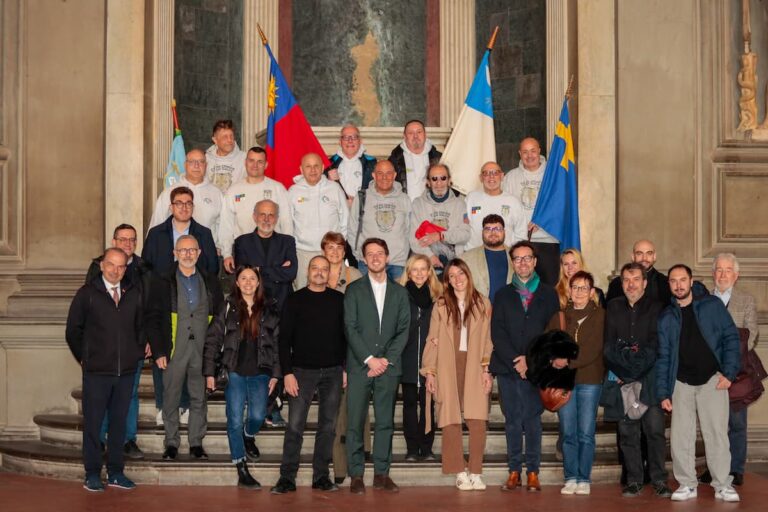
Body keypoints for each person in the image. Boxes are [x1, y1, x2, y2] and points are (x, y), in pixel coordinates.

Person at [657, 264, 741, 502]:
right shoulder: (666, 317)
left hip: (712, 380)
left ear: (691, 281)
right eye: (673, 281)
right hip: (681, 383)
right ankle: (686, 484)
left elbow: (731, 338)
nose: (678, 285)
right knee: (680, 436)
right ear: (669, 285)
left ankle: (723, 485)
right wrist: (664, 392)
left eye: (682, 279)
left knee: (716, 434)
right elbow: (663, 357)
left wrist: (729, 373)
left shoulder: (711, 306)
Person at [66, 247, 144, 491]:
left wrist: (134, 353)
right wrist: (86, 358)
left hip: (125, 373)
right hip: (97, 373)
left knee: (119, 424)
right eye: (111, 264)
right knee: (94, 424)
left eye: (121, 266)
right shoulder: (87, 294)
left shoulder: (133, 293)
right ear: (102, 265)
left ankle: (116, 472)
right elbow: (73, 331)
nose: (116, 270)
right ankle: (91, 473)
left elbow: (140, 328)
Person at [271, 256, 346, 494]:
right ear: (308, 271)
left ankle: (321, 476)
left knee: (328, 427)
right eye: (316, 268)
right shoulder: (295, 300)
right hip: (301, 372)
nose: (320, 272)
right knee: (295, 425)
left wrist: (345, 368)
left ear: (329, 273)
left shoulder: (339, 300)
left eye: (325, 269)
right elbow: (283, 341)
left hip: (333, 372)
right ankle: (287, 478)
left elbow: (346, 338)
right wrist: (288, 373)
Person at [146, 235, 223, 462]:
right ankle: (171, 443)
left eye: (192, 250)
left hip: (201, 349)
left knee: (199, 398)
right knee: (171, 397)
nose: (188, 254)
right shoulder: (162, 281)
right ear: (175, 254)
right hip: (173, 349)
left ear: (199, 253)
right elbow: (152, 318)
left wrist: (214, 352)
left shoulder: (210, 281)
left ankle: (196, 443)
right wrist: (159, 351)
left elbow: (219, 317)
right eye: (183, 250)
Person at [203, 265, 280, 489]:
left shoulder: (270, 309)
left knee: (256, 416)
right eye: (243, 278)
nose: (247, 282)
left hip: (261, 372)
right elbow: (213, 339)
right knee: (234, 419)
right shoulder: (227, 307)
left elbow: (278, 345)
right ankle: (241, 466)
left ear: (258, 282)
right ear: (236, 283)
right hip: (234, 371)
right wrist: (209, 372)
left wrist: (276, 374)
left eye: (252, 278)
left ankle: (249, 435)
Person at [490, 241, 559, 492]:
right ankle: (514, 471)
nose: (523, 263)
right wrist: (516, 360)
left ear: (535, 261)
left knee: (532, 420)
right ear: (512, 262)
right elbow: (497, 333)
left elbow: (553, 333)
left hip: (536, 368)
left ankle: (532, 472)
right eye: (517, 259)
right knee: (512, 421)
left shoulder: (549, 294)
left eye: (527, 258)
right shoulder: (503, 294)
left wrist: (529, 360)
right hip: (508, 368)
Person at [344, 238, 410, 494]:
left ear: (387, 256)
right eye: (369, 254)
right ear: (363, 259)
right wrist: (370, 359)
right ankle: (356, 474)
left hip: (389, 368)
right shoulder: (354, 290)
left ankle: (382, 473)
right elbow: (349, 327)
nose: (375, 258)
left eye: (379, 253)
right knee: (355, 422)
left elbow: (403, 330)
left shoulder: (400, 293)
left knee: (385, 422)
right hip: (361, 367)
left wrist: (385, 360)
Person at [421, 259, 493, 490]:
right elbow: (432, 339)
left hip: (474, 364)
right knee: (450, 419)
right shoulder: (441, 305)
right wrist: (430, 372)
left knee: (477, 419)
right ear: (447, 281)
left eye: (460, 273)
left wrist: (486, 369)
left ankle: (475, 471)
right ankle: (459, 471)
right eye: (451, 276)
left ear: (468, 274)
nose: (457, 279)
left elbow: (489, 339)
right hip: (447, 364)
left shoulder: (483, 302)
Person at [603, 262, 670, 498]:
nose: (631, 284)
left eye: (635, 279)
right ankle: (633, 480)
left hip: (649, 381)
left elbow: (656, 345)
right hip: (623, 382)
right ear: (621, 283)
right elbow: (608, 346)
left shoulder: (658, 308)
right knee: (628, 433)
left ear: (644, 282)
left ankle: (659, 479)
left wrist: (637, 369)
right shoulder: (612, 307)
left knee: (654, 432)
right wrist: (625, 372)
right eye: (626, 280)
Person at [85, 224, 150, 459]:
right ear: (114, 241)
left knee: (130, 394)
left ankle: (127, 440)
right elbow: (86, 312)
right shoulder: (96, 267)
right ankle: (101, 440)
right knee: (102, 397)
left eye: (132, 240)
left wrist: (147, 339)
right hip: (104, 348)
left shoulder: (143, 268)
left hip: (133, 344)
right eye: (123, 239)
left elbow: (148, 308)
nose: (128, 244)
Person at [699, 253, 760, 487]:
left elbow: (751, 335)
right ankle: (714, 467)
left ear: (736, 275)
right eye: (719, 270)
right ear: (713, 274)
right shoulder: (703, 301)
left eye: (727, 270)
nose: (723, 274)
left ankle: (735, 469)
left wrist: (731, 359)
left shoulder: (746, 301)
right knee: (712, 424)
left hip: (737, 371)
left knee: (736, 422)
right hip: (709, 372)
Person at [544, 271, 605, 496]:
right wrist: (552, 359)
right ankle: (570, 477)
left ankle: (584, 478)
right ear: (569, 291)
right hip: (564, 383)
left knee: (586, 433)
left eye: (584, 288)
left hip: (589, 381)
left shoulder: (600, 316)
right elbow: (547, 343)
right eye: (575, 287)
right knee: (568, 432)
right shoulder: (559, 316)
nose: (579, 292)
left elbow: (592, 349)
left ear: (591, 292)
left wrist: (566, 361)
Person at [321, 232, 371, 484]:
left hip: (351, 347)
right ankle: (339, 466)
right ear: (323, 250)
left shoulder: (355, 277)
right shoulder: (316, 272)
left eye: (339, 247)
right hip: (324, 347)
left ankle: (357, 456)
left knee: (352, 404)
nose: (334, 252)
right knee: (333, 410)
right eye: (329, 247)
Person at [398, 254, 442, 462]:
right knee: (408, 405)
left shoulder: (438, 297)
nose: (419, 273)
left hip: (431, 360)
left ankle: (427, 447)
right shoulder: (399, 296)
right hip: (406, 358)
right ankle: (412, 448)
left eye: (423, 269)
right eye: (414, 269)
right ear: (408, 272)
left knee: (428, 405)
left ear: (429, 272)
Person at [220, 146, 292, 273]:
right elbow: (226, 224)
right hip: (243, 252)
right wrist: (226, 254)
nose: (255, 165)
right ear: (245, 162)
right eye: (251, 160)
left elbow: (286, 222)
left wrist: (288, 251)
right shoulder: (233, 190)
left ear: (266, 165)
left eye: (260, 162)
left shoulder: (277, 188)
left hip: (274, 252)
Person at [502, 137, 560, 285]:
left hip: (548, 240)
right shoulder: (511, 177)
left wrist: (543, 220)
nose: (530, 155)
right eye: (525, 152)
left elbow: (560, 204)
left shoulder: (553, 174)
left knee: (548, 286)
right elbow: (505, 208)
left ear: (539, 151)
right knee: (521, 287)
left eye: (533, 151)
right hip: (521, 241)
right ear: (520, 154)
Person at [288, 153, 349, 289]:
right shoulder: (293, 192)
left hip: (330, 254)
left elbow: (345, 219)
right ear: (301, 169)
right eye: (308, 166)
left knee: (332, 292)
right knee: (302, 292)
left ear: (322, 168)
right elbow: (288, 224)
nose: (313, 170)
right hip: (302, 253)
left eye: (316, 166)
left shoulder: (334, 188)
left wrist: (336, 246)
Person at [149, 149, 224, 253]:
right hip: (175, 253)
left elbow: (223, 225)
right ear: (185, 165)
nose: (197, 165)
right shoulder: (169, 192)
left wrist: (221, 248)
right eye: (192, 162)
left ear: (206, 165)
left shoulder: (216, 193)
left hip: (206, 251)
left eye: (201, 162)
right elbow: (157, 223)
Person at [348, 161, 411, 280]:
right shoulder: (362, 197)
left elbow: (408, 230)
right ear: (373, 175)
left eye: (388, 173)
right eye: (380, 173)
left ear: (394, 175)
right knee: (367, 298)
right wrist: (360, 254)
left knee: (396, 298)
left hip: (397, 264)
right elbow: (352, 228)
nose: (384, 177)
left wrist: (403, 256)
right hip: (368, 263)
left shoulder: (404, 199)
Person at [233, 199, 297, 310]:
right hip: (253, 304)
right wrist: (278, 271)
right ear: (254, 217)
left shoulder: (287, 241)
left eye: (271, 215)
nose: (266, 219)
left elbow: (291, 273)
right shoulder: (242, 242)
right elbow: (243, 275)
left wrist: (259, 270)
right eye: (262, 214)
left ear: (276, 219)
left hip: (281, 304)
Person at [142, 186, 218, 276]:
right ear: (171, 208)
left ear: (193, 207)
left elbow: (213, 268)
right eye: (179, 204)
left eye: (188, 204)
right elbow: (145, 266)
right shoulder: (155, 234)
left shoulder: (204, 234)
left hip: (195, 286)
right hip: (163, 286)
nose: (184, 208)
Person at [409, 163, 470, 270]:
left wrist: (440, 236)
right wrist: (430, 256)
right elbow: (413, 239)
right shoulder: (418, 204)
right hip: (427, 264)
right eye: (434, 179)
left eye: (443, 178)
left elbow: (465, 235)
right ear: (428, 182)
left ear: (449, 180)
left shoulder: (460, 204)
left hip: (454, 264)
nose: (439, 183)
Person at [464, 161, 526, 251]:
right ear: (481, 178)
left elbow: (521, 234)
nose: (491, 177)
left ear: (502, 176)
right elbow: (463, 227)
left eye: (495, 173)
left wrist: (514, 255)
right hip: (474, 254)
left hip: (505, 255)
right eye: (486, 173)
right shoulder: (471, 198)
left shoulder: (513, 202)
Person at [463, 214, 513, 303]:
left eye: (497, 229)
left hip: (508, 312)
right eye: (488, 229)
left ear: (504, 232)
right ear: (482, 232)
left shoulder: (516, 257)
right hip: (477, 312)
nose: (493, 233)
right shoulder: (466, 258)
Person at [388, 119, 442, 201]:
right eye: (411, 133)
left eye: (419, 132)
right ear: (404, 136)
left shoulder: (439, 158)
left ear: (425, 134)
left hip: (432, 209)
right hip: (404, 209)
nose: (415, 136)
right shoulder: (394, 160)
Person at [325, 123, 377, 205]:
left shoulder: (372, 164)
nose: (350, 141)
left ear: (360, 141)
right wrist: (328, 181)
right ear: (340, 142)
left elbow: (378, 192)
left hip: (362, 212)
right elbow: (322, 194)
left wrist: (357, 202)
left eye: (354, 137)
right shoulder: (329, 164)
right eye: (346, 137)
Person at [606, 239, 671, 304]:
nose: (644, 258)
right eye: (639, 253)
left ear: (654, 257)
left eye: (649, 253)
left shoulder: (666, 283)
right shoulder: (616, 284)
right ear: (633, 257)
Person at [205, 119, 246, 193]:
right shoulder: (205, 159)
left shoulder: (244, 158)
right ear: (215, 140)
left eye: (231, 136)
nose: (230, 140)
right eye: (225, 137)